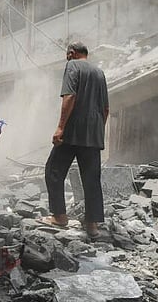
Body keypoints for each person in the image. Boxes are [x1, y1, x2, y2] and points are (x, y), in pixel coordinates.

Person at [42, 42, 109, 239]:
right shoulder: (99, 72)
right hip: (93, 134)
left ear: (71, 53)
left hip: (73, 131)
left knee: (53, 170)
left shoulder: (72, 66)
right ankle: (92, 225)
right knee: (91, 179)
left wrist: (61, 127)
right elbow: (105, 109)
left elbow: (70, 96)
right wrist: (97, 130)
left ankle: (59, 216)